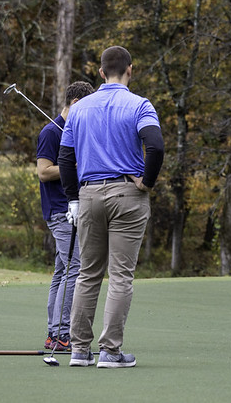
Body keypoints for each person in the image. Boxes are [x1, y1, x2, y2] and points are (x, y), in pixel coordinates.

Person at [59, 45, 165, 368]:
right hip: (127, 195)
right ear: (130, 70)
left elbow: (65, 158)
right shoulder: (139, 105)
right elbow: (156, 146)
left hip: (89, 196)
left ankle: (79, 350)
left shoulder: (79, 109)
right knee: (120, 276)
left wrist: (74, 199)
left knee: (87, 274)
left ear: (101, 73)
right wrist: (146, 182)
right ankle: (110, 352)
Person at [37, 81, 95, 351]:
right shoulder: (50, 132)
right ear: (74, 103)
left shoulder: (75, 131)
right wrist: (72, 165)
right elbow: (43, 171)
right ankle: (62, 334)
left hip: (72, 209)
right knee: (76, 266)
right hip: (59, 211)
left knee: (62, 271)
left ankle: (53, 333)